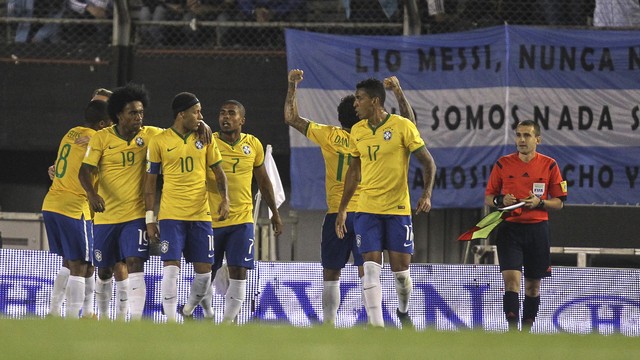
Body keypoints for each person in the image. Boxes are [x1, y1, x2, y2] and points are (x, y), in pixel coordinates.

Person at [284, 69, 416, 327]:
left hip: (338, 213)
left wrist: (292, 86)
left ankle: (330, 325)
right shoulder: (369, 134)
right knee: (367, 272)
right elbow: (409, 124)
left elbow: (291, 117)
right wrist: (399, 94)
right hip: (369, 211)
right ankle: (373, 322)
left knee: (332, 273)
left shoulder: (329, 135)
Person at [335, 78, 436, 329]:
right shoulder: (357, 131)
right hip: (367, 209)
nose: (355, 103)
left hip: (398, 210)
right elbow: (354, 172)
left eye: (359, 98)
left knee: (401, 276)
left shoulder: (401, 126)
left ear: (375, 101)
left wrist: (426, 194)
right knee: (370, 268)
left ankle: (403, 312)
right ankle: (377, 326)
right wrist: (343, 208)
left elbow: (428, 163)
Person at [79, 83, 163, 321]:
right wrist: (92, 195)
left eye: (141, 112)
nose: (139, 117)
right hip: (106, 216)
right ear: (119, 115)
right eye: (133, 113)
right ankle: (105, 320)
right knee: (104, 271)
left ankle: (132, 322)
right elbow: (85, 171)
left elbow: (178, 133)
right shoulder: (102, 138)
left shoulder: (151, 135)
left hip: (134, 216)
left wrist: (203, 125)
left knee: (134, 263)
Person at [194, 99, 283, 323]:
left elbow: (264, 182)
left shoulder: (253, 144)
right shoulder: (207, 141)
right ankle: (205, 315)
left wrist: (275, 213)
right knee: (206, 273)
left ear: (241, 120)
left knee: (239, 271)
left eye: (231, 113)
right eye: (222, 113)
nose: (225, 117)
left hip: (241, 219)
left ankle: (228, 323)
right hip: (210, 219)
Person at [144, 92, 229, 322]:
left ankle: (189, 310)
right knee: (171, 269)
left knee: (204, 273)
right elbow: (150, 183)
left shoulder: (205, 137)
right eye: (196, 111)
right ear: (182, 114)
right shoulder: (160, 141)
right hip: (172, 215)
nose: (200, 116)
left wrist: (225, 199)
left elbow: (218, 172)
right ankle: (171, 321)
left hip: (201, 214)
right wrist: (150, 219)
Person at [484, 119, 567, 332]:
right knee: (511, 282)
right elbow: (489, 197)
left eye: (527, 135)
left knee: (532, 287)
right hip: (509, 229)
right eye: (519, 135)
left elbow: (559, 203)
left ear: (537, 139)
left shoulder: (550, 165)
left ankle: (527, 332)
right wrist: (501, 201)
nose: (522, 139)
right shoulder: (503, 164)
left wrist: (540, 203)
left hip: (537, 231)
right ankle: (513, 332)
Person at [42, 99, 112, 318]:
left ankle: (57, 312)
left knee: (78, 262)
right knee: (79, 265)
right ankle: (73, 319)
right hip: (74, 207)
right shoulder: (97, 140)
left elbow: (62, 166)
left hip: (52, 203)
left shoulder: (71, 133)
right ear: (102, 124)